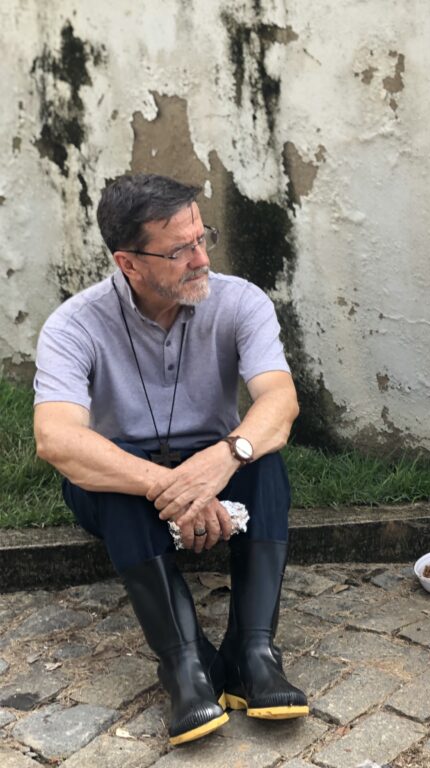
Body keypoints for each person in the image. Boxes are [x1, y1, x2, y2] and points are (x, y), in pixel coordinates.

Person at [33, 174, 308, 746]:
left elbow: (280, 402)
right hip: (125, 483)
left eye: (202, 238)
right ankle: (185, 666)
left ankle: (254, 652)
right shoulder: (73, 324)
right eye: (179, 250)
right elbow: (56, 439)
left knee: (263, 460)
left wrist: (226, 457)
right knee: (110, 479)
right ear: (129, 263)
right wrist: (173, 486)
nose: (201, 258)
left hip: (216, 461)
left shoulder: (241, 301)